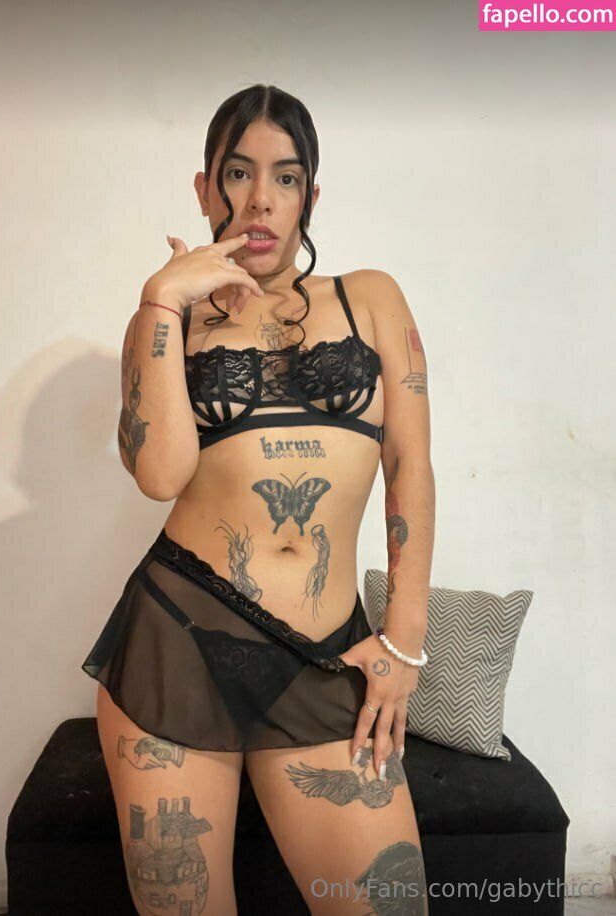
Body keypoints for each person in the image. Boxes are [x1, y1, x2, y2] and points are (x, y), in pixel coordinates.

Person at [81, 83, 435, 916]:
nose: (260, 200)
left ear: (312, 194)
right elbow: (159, 474)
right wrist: (163, 300)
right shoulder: (166, 321)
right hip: (177, 641)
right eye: (237, 173)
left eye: (285, 176)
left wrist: (406, 640)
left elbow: (411, 464)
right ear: (204, 188)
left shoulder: (371, 298)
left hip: (325, 654)